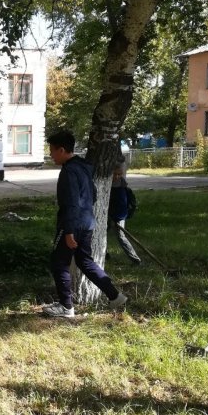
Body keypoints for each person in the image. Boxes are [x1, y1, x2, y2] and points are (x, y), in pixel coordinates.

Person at [43, 130, 128, 318]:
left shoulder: (68, 171)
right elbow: (94, 195)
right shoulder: (83, 167)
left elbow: (71, 202)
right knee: (84, 260)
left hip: (72, 224)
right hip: (88, 222)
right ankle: (114, 295)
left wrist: (69, 230)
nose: (50, 154)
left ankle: (66, 308)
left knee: (59, 263)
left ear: (62, 150)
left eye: (52, 150)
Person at [107, 165, 141, 265]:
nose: (117, 177)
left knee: (121, 236)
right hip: (106, 215)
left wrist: (119, 217)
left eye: (119, 174)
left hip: (118, 216)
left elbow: (125, 204)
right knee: (101, 234)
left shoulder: (123, 188)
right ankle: (104, 254)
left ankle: (135, 259)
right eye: (114, 174)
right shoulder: (105, 185)